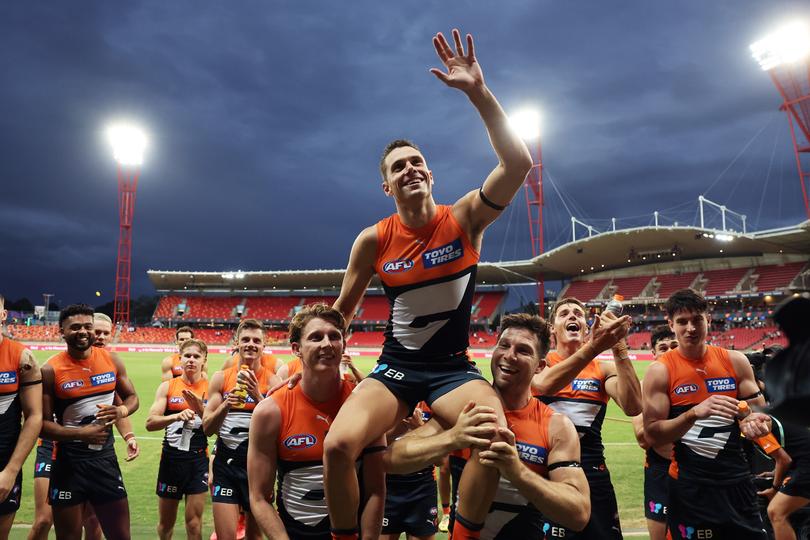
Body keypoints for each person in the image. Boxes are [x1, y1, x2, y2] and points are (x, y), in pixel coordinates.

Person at [325, 28, 535, 540]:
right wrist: (320, 351)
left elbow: (519, 164)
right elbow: (342, 312)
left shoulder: (464, 218)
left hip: (450, 370)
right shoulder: (372, 240)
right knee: (336, 447)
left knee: (493, 433)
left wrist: (477, 93)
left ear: (431, 175)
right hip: (396, 368)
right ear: (387, 185)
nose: (410, 169)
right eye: (399, 166)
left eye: (417, 162)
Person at [383, 313, 591, 539]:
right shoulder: (464, 410)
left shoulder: (556, 426)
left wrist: (518, 472)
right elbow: (390, 459)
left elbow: (578, 514)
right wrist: (454, 438)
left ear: (540, 366)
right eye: (504, 346)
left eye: (523, 350)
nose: (509, 356)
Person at [247, 303, 385, 540]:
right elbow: (259, 497)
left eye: (334, 336)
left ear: (344, 344)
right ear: (296, 348)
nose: (327, 344)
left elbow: (376, 491)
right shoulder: (270, 412)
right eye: (315, 337)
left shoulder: (365, 406)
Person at [643, 289, 768, 539]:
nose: (690, 328)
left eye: (697, 319)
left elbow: (759, 413)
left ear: (708, 320)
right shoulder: (660, 371)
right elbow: (653, 435)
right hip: (690, 488)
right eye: (682, 322)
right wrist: (692, 415)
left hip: (738, 483)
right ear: (671, 324)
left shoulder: (735, 361)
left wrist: (755, 422)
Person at [532, 297, 640, 539]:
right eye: (564, 314)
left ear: (586, 323)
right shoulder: (540, 363)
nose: (573, 316)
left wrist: (618, 346)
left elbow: (633, 406)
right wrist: (593, 345)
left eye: (578, 314)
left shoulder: (602, 370)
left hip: (593, 474)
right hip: (547, 473)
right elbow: (544, 386)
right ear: (552, 329)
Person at [41, 304, 139, 540]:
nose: (83, 331)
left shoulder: (112, 360)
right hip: (68, 464)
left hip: (104, 462)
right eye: (75, 327)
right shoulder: (50, 370)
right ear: (61, 331)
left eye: (87, 326)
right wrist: (80, 434)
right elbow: (42, 425)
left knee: (120, 535)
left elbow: (133, 398)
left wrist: (121, 411)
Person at [203, 319, 276, 540]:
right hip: (226, 465)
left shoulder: (273, 381)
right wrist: (226, 404)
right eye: (245, 339)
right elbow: (207, 428)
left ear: (264, 345)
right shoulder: (220, 378)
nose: (251, 344)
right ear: (237, 342)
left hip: (258, 469)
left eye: (256, 340)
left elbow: (278, 430)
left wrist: (259, 397)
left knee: (254, 537)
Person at [146, 338, 210, 540]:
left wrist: (201, 409)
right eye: (187, 356)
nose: (191, 360)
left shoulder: (210, 389)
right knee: (166, 525)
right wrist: (175, 415)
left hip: (198, 462)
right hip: (171, 461)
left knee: (194, 524)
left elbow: (215, 427)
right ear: (180, 359)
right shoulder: (168, 387)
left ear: (204, 360)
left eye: (196, 356)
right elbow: (150, 422)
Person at [0, 294, 43, 537]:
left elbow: (35, 416)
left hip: (3, 466)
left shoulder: (22, 357)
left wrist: (11, 471)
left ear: (3, 315)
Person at [631, 324, 677, 540]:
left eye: (674, 346)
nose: (669, 351)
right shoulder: (643, 387)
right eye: (663, 347)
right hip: (659, 470)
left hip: (696, 469)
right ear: (654, 353)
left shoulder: (696, 382)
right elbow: (642, 439)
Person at [381, 403, 438, 540]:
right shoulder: (384, 400)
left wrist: (420, 428)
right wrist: (400, 428)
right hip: (387, 486)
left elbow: (441, 460)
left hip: (422, 487)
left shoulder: (436, 404)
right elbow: (370, 445)